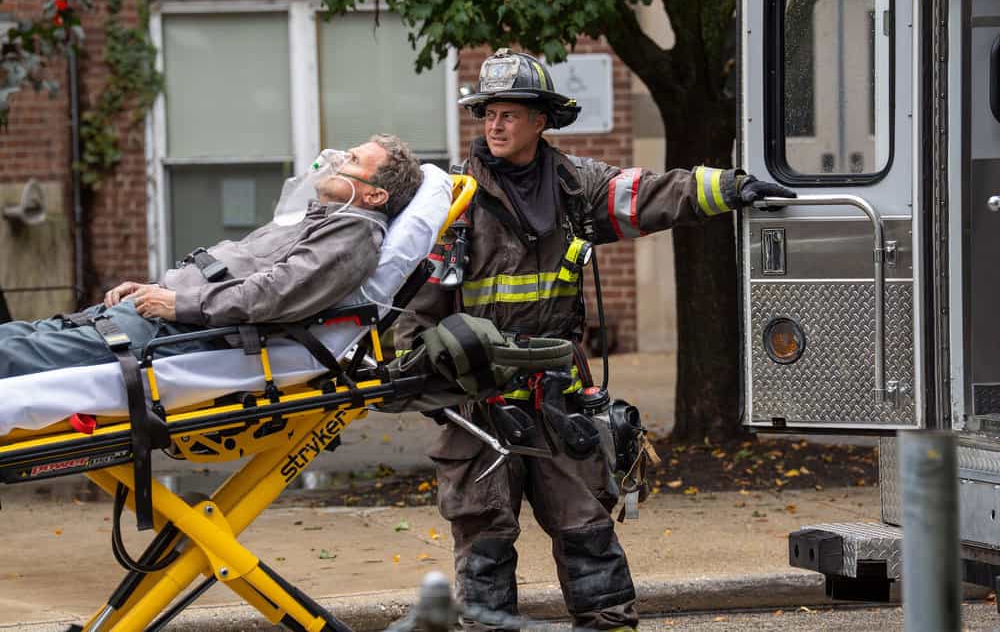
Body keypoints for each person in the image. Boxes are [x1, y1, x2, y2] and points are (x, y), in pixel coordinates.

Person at [393, 49, 797, 631]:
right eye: (488, 114)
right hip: (479, 405)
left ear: (541, 121)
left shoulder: (575, 188)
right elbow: (416, 310)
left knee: (586, 527)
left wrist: (729, 188)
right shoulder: (452, 202)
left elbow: (654, 193)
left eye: (510, 113)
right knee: (484, 539)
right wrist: (428, 384)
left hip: (557, 396)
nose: (496, 125)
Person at [0, 134, 423, 379]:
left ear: (375, 194)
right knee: (22, 336)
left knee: (14, 354)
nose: (336, 160)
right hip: (157, 319)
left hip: (177, 338)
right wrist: (156, 289)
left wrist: (177, 302)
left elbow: (275, 293)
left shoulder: (353, 234)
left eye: (352, 160)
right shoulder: (315, 221)